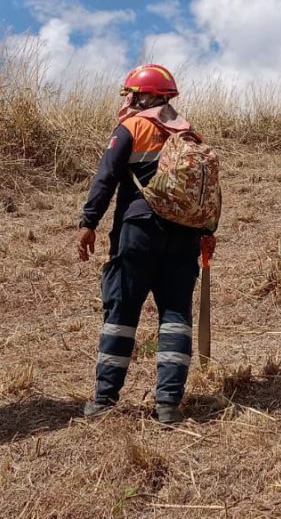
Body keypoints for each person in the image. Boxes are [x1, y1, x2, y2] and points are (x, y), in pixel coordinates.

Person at [77, 64, 205, 425]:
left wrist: (88, 223)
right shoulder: (191, 135)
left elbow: (106, 178)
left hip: (138, 232)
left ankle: (104, 400)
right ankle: (168, 404)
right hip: (185, 236)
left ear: (144, 96)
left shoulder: (132, 128)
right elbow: (206, 191)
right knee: (176, 316)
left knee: (121, 313)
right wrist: (206, 232)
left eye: (131, 94)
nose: (129, 100)